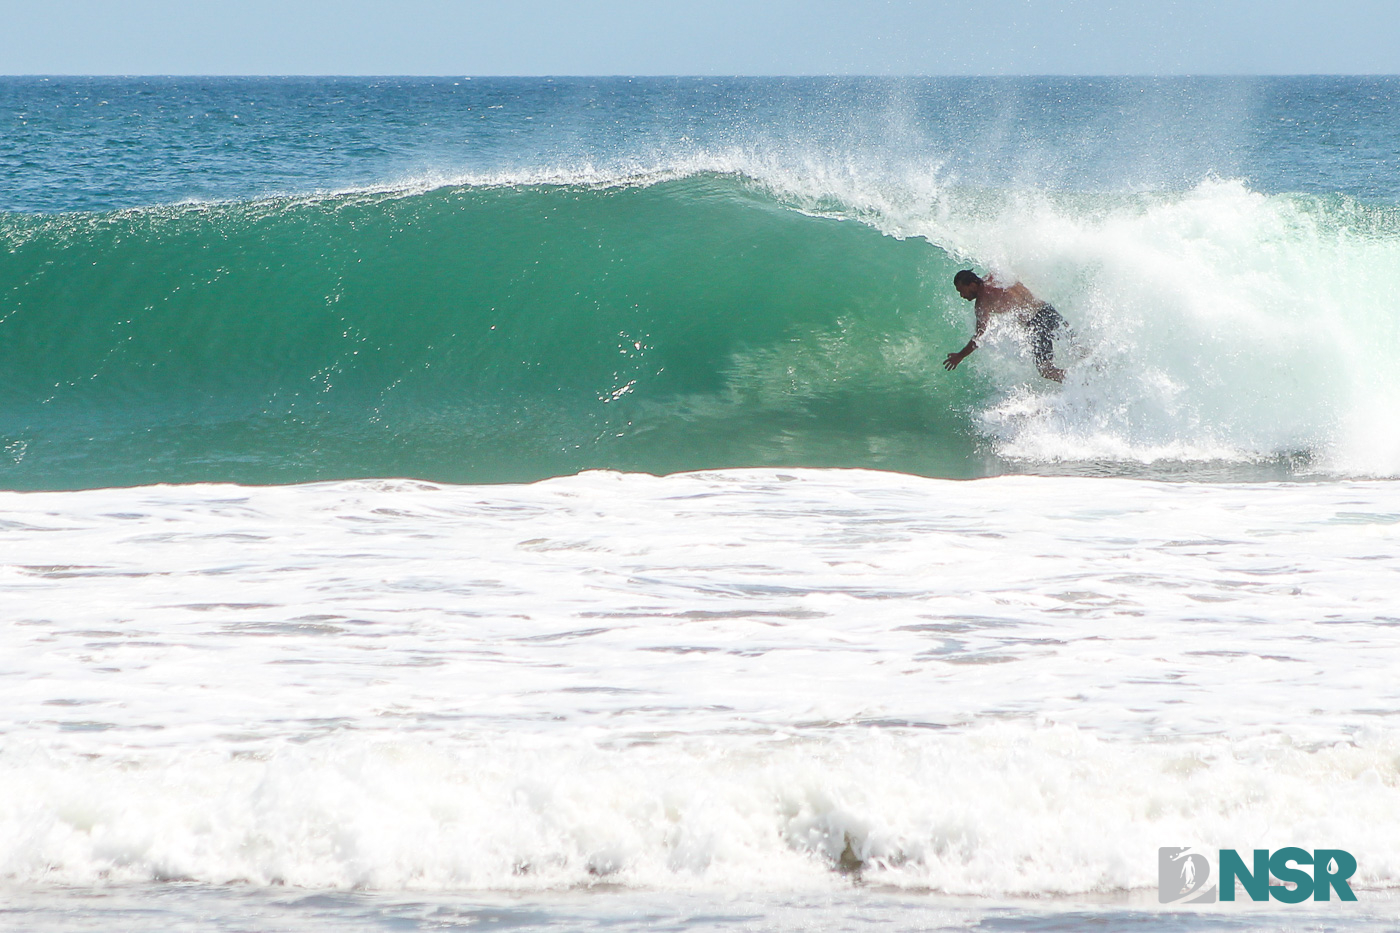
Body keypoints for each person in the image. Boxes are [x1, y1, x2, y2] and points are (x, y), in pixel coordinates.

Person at [943, 269, 1068, 382]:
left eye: (962, 291)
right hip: (1046, 310)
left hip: (1035, 325)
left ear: (972, 285)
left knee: (1046, 370)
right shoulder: (995, 275)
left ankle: (1074, 381)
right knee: (1075, 344)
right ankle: (1079, 377)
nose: (962, 295)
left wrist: (960, 356)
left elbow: (980, 335)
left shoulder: (982, 302)